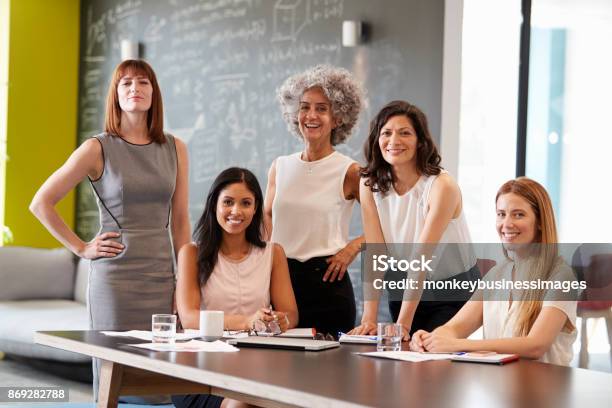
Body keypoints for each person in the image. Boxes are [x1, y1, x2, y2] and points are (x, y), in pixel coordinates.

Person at [30, 59, 190, 400]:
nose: (135, 88)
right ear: (115, 95)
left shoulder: (176, 148)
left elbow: (180, 221)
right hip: (114, 281)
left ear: (154, 93)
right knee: (114, 380)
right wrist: (81, 248)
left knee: (162, 382)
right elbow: (41, 202)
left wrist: (185, 281)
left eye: (143, 82)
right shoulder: (97, 148)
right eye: (126, 83)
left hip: (162, 277)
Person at [409, 177, 577, 366]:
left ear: (540, 221)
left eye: (518, 215)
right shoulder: (496, 275)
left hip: (545, 390)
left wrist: (458, 344)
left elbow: (536, 345)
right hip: (500, 387)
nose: (506, 223)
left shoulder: (561, 276)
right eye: (501, 214)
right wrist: (431, 339)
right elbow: (454, 328)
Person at [349, 100, 478, 340]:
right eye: (386, 133)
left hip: (450, 289)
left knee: (430, 353)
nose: (394, 141)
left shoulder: (442, 186)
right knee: (403, 360)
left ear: (420, 141)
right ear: (377, 140)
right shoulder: (369, 184)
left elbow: (421, 258)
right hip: (403, 284)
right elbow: (376, 253)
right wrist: (369, 319)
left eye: (405, 133)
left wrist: (403, 325)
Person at [174, 167, 298, 408]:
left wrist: (281, 320)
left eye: (246, 203)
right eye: (228, 202)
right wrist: (247, 322)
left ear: (255, 208)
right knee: (243, 403)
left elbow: (291, 314)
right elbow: (189, 318)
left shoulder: (273, 254)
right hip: (199, 371)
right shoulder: (191, 253)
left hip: (257, 367)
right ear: (214, 206)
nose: (236, 211)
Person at [264, 65, 364, 336]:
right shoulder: (279, 167)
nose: (311, 115)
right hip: (280, 283)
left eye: (322, 108)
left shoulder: (350, 171)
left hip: (328, 286)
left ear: (338, 118)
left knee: (329, 375)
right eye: (305, 107)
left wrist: (351, 249)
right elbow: (266, 219)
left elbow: (386, 224)